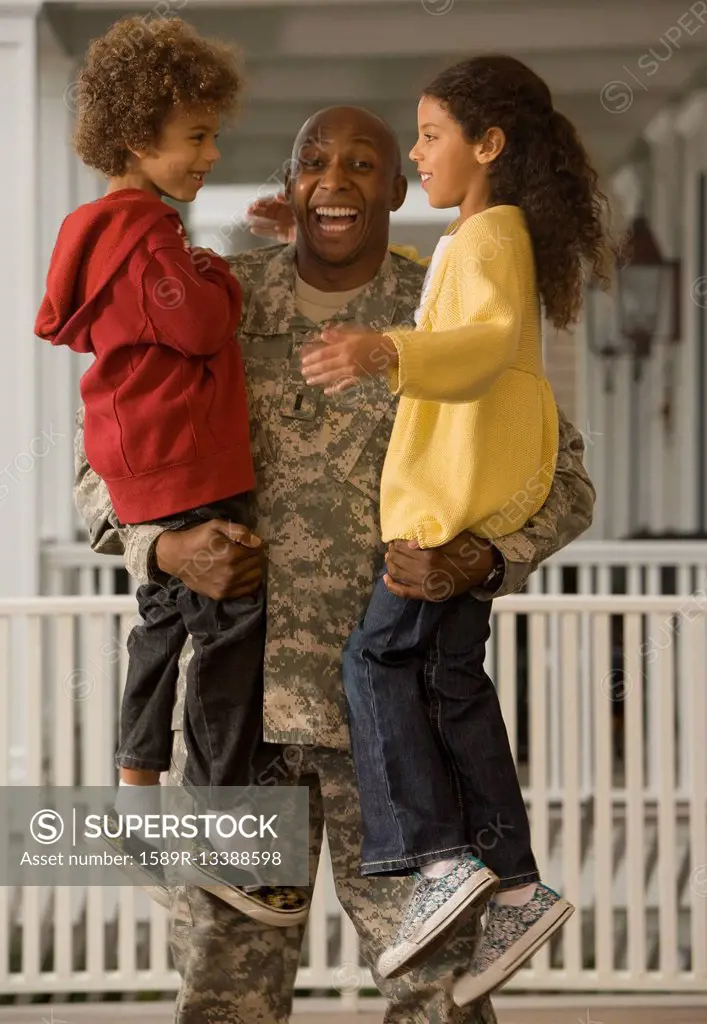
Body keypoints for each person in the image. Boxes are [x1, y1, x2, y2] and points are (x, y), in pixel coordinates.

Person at [74, 105, 596, 1024]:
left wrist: (480, 556)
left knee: (438, 997)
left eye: (364, 164)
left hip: (396, 738)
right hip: (241, 722)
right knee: (224, 996)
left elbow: (560, 475)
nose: (336, 181)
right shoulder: (210, 301)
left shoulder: (442, 313)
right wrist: (162, 546)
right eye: (314, 161)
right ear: (290, 183)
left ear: (397, 189)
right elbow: (102, 458)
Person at [298, 56, 613, 1003]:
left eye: (430, 135)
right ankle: (513, 881)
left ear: (489, 145)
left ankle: (440, 858)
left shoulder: (482, 240)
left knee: (374, 664)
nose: (421, 151)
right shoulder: (488, 237)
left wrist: (383, 348)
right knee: (451, 684)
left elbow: (476, 353)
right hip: (458, 509)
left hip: (441, 519)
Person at [35, 15, 308, 926]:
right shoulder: (150, 232)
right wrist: (218, 276)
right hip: (192, 463)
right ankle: (225, 837)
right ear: (135, 138)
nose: (210, 151)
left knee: (161, 626)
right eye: (195, 136)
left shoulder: (94, 234)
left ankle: (136, 793)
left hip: (142, 466)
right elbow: (196, 324)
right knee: (230, 641)